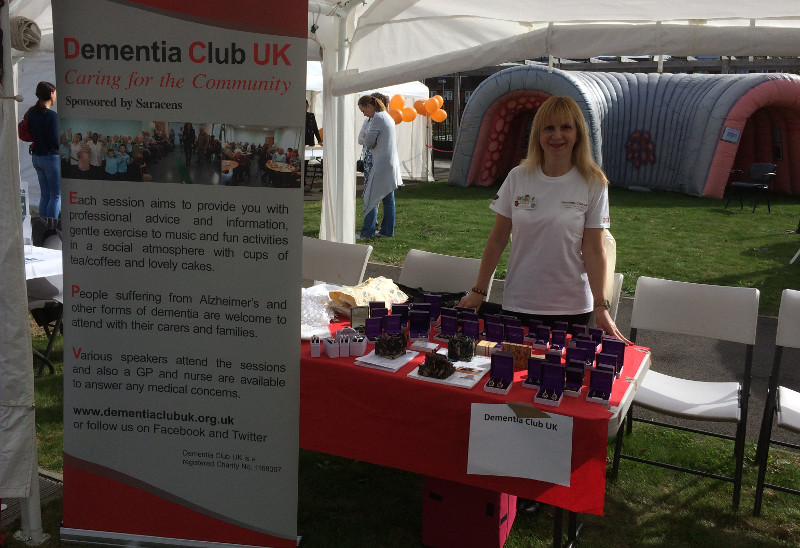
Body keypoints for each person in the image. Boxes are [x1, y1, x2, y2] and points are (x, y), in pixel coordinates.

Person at [457, 96, 629, 343]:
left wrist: (601, 306)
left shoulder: (593, 182)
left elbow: (594, 249)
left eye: (565, 127)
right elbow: (497, 239)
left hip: (572, 308)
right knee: (513, 366)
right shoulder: (518, 177)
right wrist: (479, 291)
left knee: (563, 368)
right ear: (538, 134)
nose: (557, 136)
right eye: (549, 128)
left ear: (578, 134)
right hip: (520, 301)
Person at [357, 93, 402, 239]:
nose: (364, 114)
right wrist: (371, 141)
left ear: (369, 106)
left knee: (371, 198)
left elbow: (368, 142)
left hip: (381, 164)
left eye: (363, 110)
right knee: (388, 199)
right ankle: (387, 231)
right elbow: (369, 141)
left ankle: (367, 232)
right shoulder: (387, 117)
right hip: (389, 164)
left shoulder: (377, 118)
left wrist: (371, 141)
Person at [27, 81, 61, 219]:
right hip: (51, 157)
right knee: (56, 195)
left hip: (37, 156)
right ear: (51, 94)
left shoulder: (31, 112)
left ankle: (43, 224)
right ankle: (51, 226)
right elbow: (55, 140)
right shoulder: (52, 115)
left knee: (45, 195)